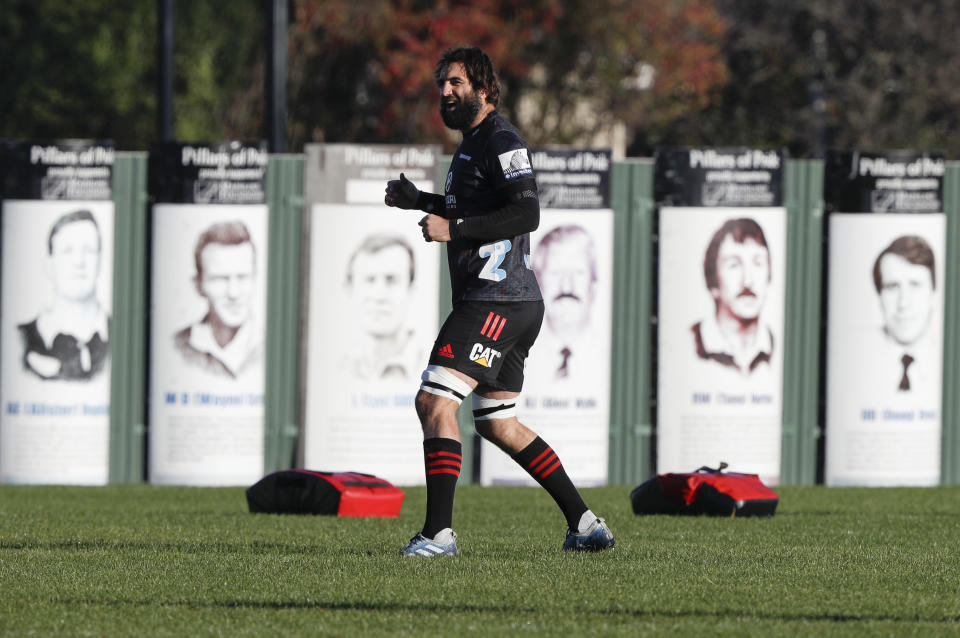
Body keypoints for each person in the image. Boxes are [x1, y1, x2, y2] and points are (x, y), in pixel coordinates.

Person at [385, 45, 614, 557]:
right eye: (441, 82)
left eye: (456, 83)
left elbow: (526, 211)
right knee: (497, 423)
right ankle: (585, 523)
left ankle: (438, 535)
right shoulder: (471, 144)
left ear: (484, 89)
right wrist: (418, 201)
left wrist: (455, 227)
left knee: (434, 401)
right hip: (509, 301)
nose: (444, 91)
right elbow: (470, 206)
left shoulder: (501, 139)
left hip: (498, 299)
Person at [18, 209, 110, 381]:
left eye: (88, 250)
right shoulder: (20, 340)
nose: (79, 262)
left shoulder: (118, 335)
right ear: (49, 264)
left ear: (100, 260)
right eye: (68, 251)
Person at [174, 220, 262, 378]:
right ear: (198, 285)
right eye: (220, 279)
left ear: (255, 279)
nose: (233, 293)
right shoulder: (177, 347)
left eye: (242, 277)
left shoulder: (271, 345)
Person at [691, 217, 773, 375]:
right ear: (713, 282)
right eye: (734, 265)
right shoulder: (688, 343)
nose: (748, 281)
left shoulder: (779, 345)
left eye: (758, 263)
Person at [342, 233, 421, 380]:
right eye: (369, 280)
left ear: (411, 291)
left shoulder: (433, 366)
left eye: (391, 280)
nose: (379, 296)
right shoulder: (336, 367)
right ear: (349, 289)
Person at [532, 224, 597, 380]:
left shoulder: (607, 354)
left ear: (593, 283)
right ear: (538, 282)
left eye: (579, 273)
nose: (567, 286)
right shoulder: (521, 356)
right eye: (555, 273)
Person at [872, 235, 936, 391]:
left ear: (933, 292)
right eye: (892, 286)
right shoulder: (854, 359)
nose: (903, 303)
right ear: (879, 297)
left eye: (915, 285)